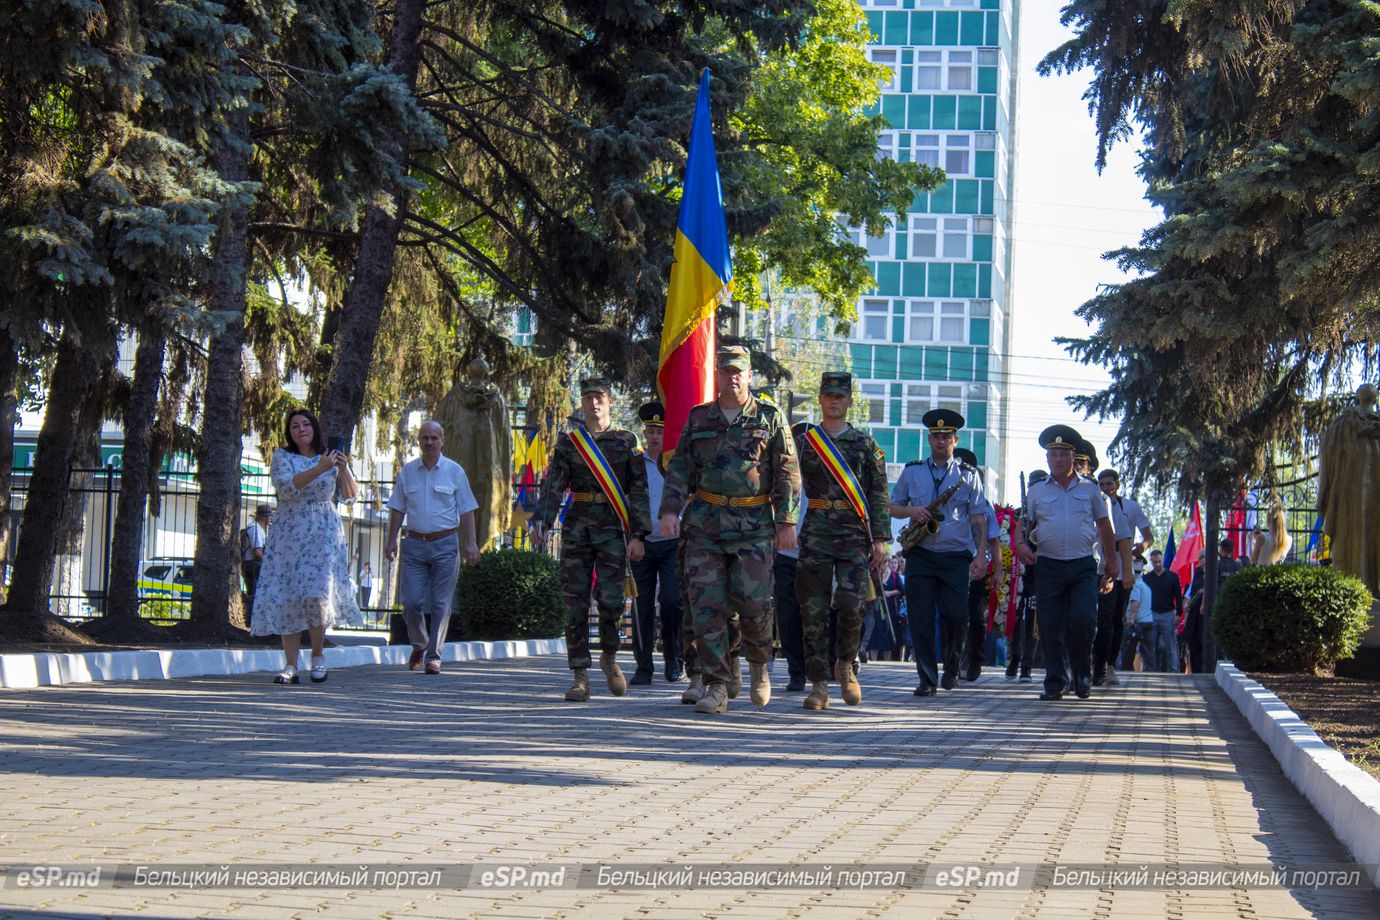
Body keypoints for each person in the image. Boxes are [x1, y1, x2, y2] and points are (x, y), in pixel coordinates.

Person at [659, 345, 800, 715]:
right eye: (726, 370)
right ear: (717, 375)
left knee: (754, 606)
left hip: (753, 528)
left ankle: (757, 664)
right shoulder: (699, 417)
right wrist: (670, 510)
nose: (733, 377)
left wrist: (786, 520)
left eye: (739, 371)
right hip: (705, 526)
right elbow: (679, 469)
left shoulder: (769, 417)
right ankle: (717, 685)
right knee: (707, 606)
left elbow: (787, 471)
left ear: (749, 374)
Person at [532, 379, 650, 701]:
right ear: (582, 403)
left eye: (599, 398)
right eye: (588, 398)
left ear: (610, 401)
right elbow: (553, 486)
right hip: (578, 530)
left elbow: (639, 491)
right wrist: (542, 519)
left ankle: (609, 656)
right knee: (575, 604)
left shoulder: (627, 442)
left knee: (612, 601)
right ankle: (579, 675)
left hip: (613, 530)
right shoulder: (569, 444)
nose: (594, 404)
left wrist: (639, 535)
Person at [792, 372, 889, 711]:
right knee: (813, 610)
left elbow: (877, 494)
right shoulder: (804, 442)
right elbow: (787, 485)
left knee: (852, 604)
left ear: (849, 401)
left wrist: (880, 540)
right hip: (816, 529)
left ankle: (846, 663)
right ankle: (819, 685)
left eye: (840, 396)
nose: (834, 400)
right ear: (820, 399)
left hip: (852, 534)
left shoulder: (865, 445)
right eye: (828, 395)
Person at [250, 409, 364, 684]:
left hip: (323, 532)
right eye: (294, 426)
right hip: (290, 531)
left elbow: (350, 495)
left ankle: (317, 655)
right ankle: (290, 665)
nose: (300, 429)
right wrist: (319, 469)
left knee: (317, 595)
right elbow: (287, 488)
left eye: (305, 424)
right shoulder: (283, 457)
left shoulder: (329, 457)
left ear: (314, 428)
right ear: (289, 433)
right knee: (289, 595)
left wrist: (342, 467)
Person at [889, 409, 988, 697]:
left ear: (955, 440)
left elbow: (978, 518)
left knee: (957, 615)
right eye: (936, 436)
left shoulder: (968, 476)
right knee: (919, 617)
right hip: (919, 552)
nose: (941, 441)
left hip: (955, 555)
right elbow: (893, 506)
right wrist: (912, 511)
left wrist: (980, 556)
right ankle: (927, 679)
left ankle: (953, 667)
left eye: (947, 437)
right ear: (929, 439)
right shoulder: (912, 471)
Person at [1016, 425, 1118, 701]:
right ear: (1047, 459)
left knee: (1083, 620)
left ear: (1073, 457)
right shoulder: (1036, 492)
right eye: (1053, 454)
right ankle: (1055, 681)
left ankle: (1081, 673)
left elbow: (1105, 527)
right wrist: (1022, 546)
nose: (1058, 459)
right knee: (1049, 624)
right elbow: (1023, 525)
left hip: (1083, 565)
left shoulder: (1091, 490)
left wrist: (1111, 564)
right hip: (1048, 565)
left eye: (1063, 453)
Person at [385, 421, 482, 675]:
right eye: (425, 438)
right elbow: (397, 507)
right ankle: (420, 642)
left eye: (434, 438)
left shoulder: (454, 471)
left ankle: (433, 656)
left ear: (442, 441)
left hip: (445, 544)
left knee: (441, 603)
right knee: (411, 602)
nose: (429, 443)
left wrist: (471, 543)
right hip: (415, 544)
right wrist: (391, 539)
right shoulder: (408, 471)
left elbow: (467, 509)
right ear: (419, 440)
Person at [629, 401, 685, 684]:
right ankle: (643, 666)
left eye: (660, 431)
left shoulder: (678, 464)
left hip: (673, 543)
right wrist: (633, 537)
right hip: (643, 543)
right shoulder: (635, 463)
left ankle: (674, 658)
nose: (654, 436)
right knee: (642, 605)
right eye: (650, 430)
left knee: (673, 601)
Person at [954, 447, 1002, 681]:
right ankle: (953, 659)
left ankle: (974, 660)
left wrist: (999, 571)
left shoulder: (984, 504)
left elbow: (994, 541)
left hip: (976, 567)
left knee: (974, 617)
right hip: (950, 564)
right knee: (951, 614)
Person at [773, 483, 808, 692]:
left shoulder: (828, 462)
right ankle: (796, 672)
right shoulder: (783, 466)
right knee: (787, 617)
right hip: (786, 553)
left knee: (815, 616)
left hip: (817, 553)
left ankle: (822, 668)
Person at [1142, 549, 1184, 671]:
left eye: (1159, 562)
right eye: (1155, 562)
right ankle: (1150, 671)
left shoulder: (1172, 577)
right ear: (1151, 562)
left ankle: (1173, 671)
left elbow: (1178, 597)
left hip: (1168, 615)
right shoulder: (1147, 578)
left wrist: (1179, 614)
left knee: (1170, 646)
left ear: (1163, 561)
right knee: (1151, 645)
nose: (1157, 565)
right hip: (1151, 614)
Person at [1122, 559, 1154, 671]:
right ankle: (1150, 672)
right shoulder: (1146, 587)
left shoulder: (1136, 586)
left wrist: (1130, 618)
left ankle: (1127, 671)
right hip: (1148, 621)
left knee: (1128, 650)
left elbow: (1135, 602)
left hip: (1138, 622)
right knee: (1148, 650)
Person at [241, 504, 271, 610]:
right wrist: (268, 566)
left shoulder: (258, 528)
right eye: (268, 516)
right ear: (262, 517)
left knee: (254, 592)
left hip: (252, 565)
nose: (270, 518)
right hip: (252, 565)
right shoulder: (255, 529)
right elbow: (257, 552)